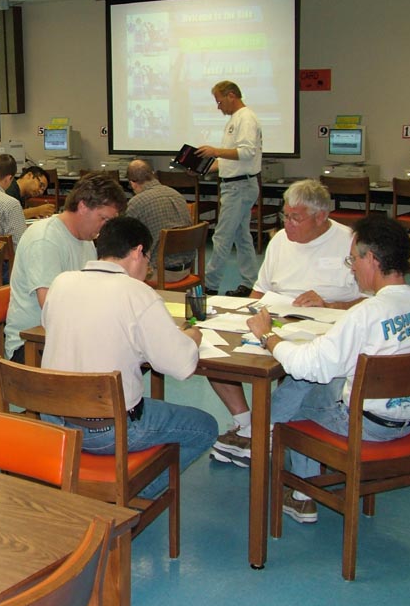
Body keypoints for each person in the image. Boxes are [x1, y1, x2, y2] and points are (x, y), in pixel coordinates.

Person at [245, 215, 410, 523]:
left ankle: (296, 487)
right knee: (316, 382)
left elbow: (307, 365)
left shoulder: (367, 313)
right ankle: (256, 432)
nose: (351, 267)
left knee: (300, 393)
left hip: (366, 428)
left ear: (372, 259)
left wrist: (267, 336)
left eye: (353, 259)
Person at [40, 216, 216, 497]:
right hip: (107, 431)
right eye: (148, 259)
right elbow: (182, 366)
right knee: (206, 426)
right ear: (137, 252)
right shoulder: (138, 293)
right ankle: (135, 492)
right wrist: (192, 338)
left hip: (54, 420)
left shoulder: (61, 282)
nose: (147, 267)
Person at [211, 179, 364, 466]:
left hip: (327, 331)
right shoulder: (281, 240)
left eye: (296, 218)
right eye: (286, 215)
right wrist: (241, 317)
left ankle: (258, 433)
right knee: (215, 354)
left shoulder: (350, 243)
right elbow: (260, 290)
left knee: (303, 368)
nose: (288, 224)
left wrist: (331, 305)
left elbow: (371, 302)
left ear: (321, 216)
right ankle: (248, 424)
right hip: (276, 321)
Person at [4, 173, 127, 361]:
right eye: (103, 218)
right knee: (119, 358)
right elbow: (51, 307)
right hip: (33, 345)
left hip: (65, 336)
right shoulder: (44, 239)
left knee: (128, 351)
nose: (105, 227)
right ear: (83, 207)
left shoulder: (86, 239)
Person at [196, 80, 261, 297]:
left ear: (231, 95)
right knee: (242, 237)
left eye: (219, 101)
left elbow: (247, 152)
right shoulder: (236, 119)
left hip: (239, 186)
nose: (218, 106)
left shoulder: (246, 118)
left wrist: (215, 151)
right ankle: (250, 283)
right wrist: (202, 168)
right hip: (236, 185)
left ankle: (210, 285)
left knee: (222, 236)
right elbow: (229, 160)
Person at [124, 159, 193, 283]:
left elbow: (125, 239)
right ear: (153, 174)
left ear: (133, 183)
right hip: (186, 269)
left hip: (160, 272)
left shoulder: (137, 203)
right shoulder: (177, 195)